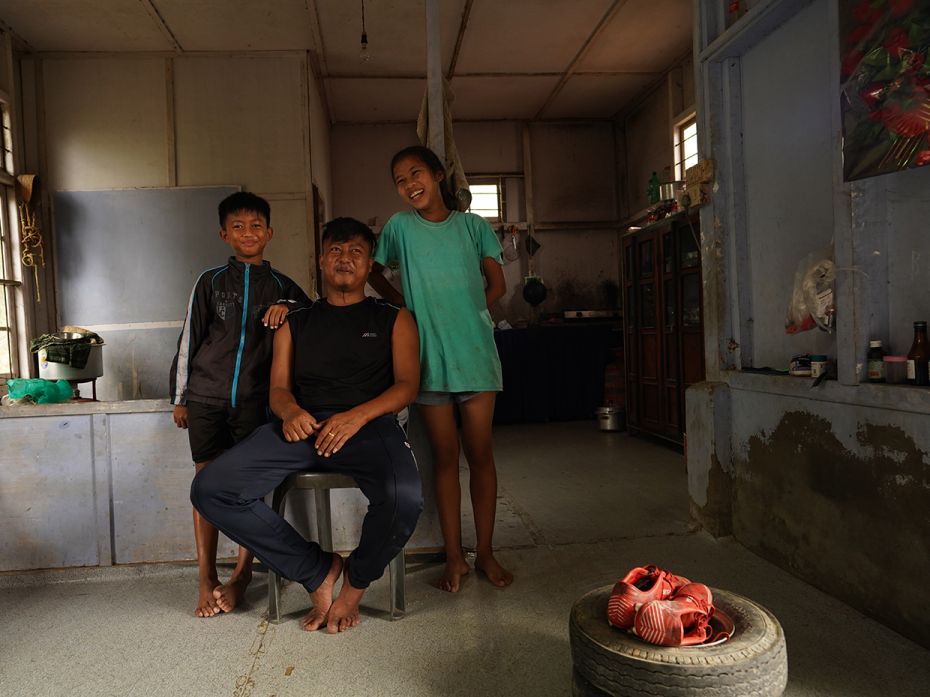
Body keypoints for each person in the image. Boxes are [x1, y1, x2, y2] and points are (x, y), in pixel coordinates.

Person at [191, 217, 422, 634]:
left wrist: (358, 415)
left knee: (404, 496)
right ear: (320, 260)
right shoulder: (296, 321)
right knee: (211, 489)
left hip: (369, 424)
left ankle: (353, 586)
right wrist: (291, 413)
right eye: (335, 251)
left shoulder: (394, 317)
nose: (345, 259)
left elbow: (407, 386)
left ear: (370, 265)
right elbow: (278, 389)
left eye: (355, 252)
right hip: (305, 425)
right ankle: (318, 570)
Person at [368, 145, 513, 593]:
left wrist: (470, 313)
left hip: (474, 355)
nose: (409, 185)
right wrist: (402, 310)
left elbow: (498, 283)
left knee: (481, 454)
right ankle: (455, 558)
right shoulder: (398, 229)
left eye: (416, 174)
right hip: (427, 361)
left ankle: (485, 552)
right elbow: (374, 272)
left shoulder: (472, 227)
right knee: (445, 461)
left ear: (436, 175)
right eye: (399, 180)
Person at [170, 191, 309, 618]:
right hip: (207, 397)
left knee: (246, 490)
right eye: (238, 227)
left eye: (255, 226)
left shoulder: (283, 286)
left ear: (269, 232)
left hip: (254, 402)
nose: (247, 233)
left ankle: (242, 576)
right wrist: (180, 398)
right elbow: (190, 338)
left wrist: (289, 307)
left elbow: (313, 318)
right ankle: (206, 577)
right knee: (205, 487)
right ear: (223, 234)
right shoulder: (210, 282)